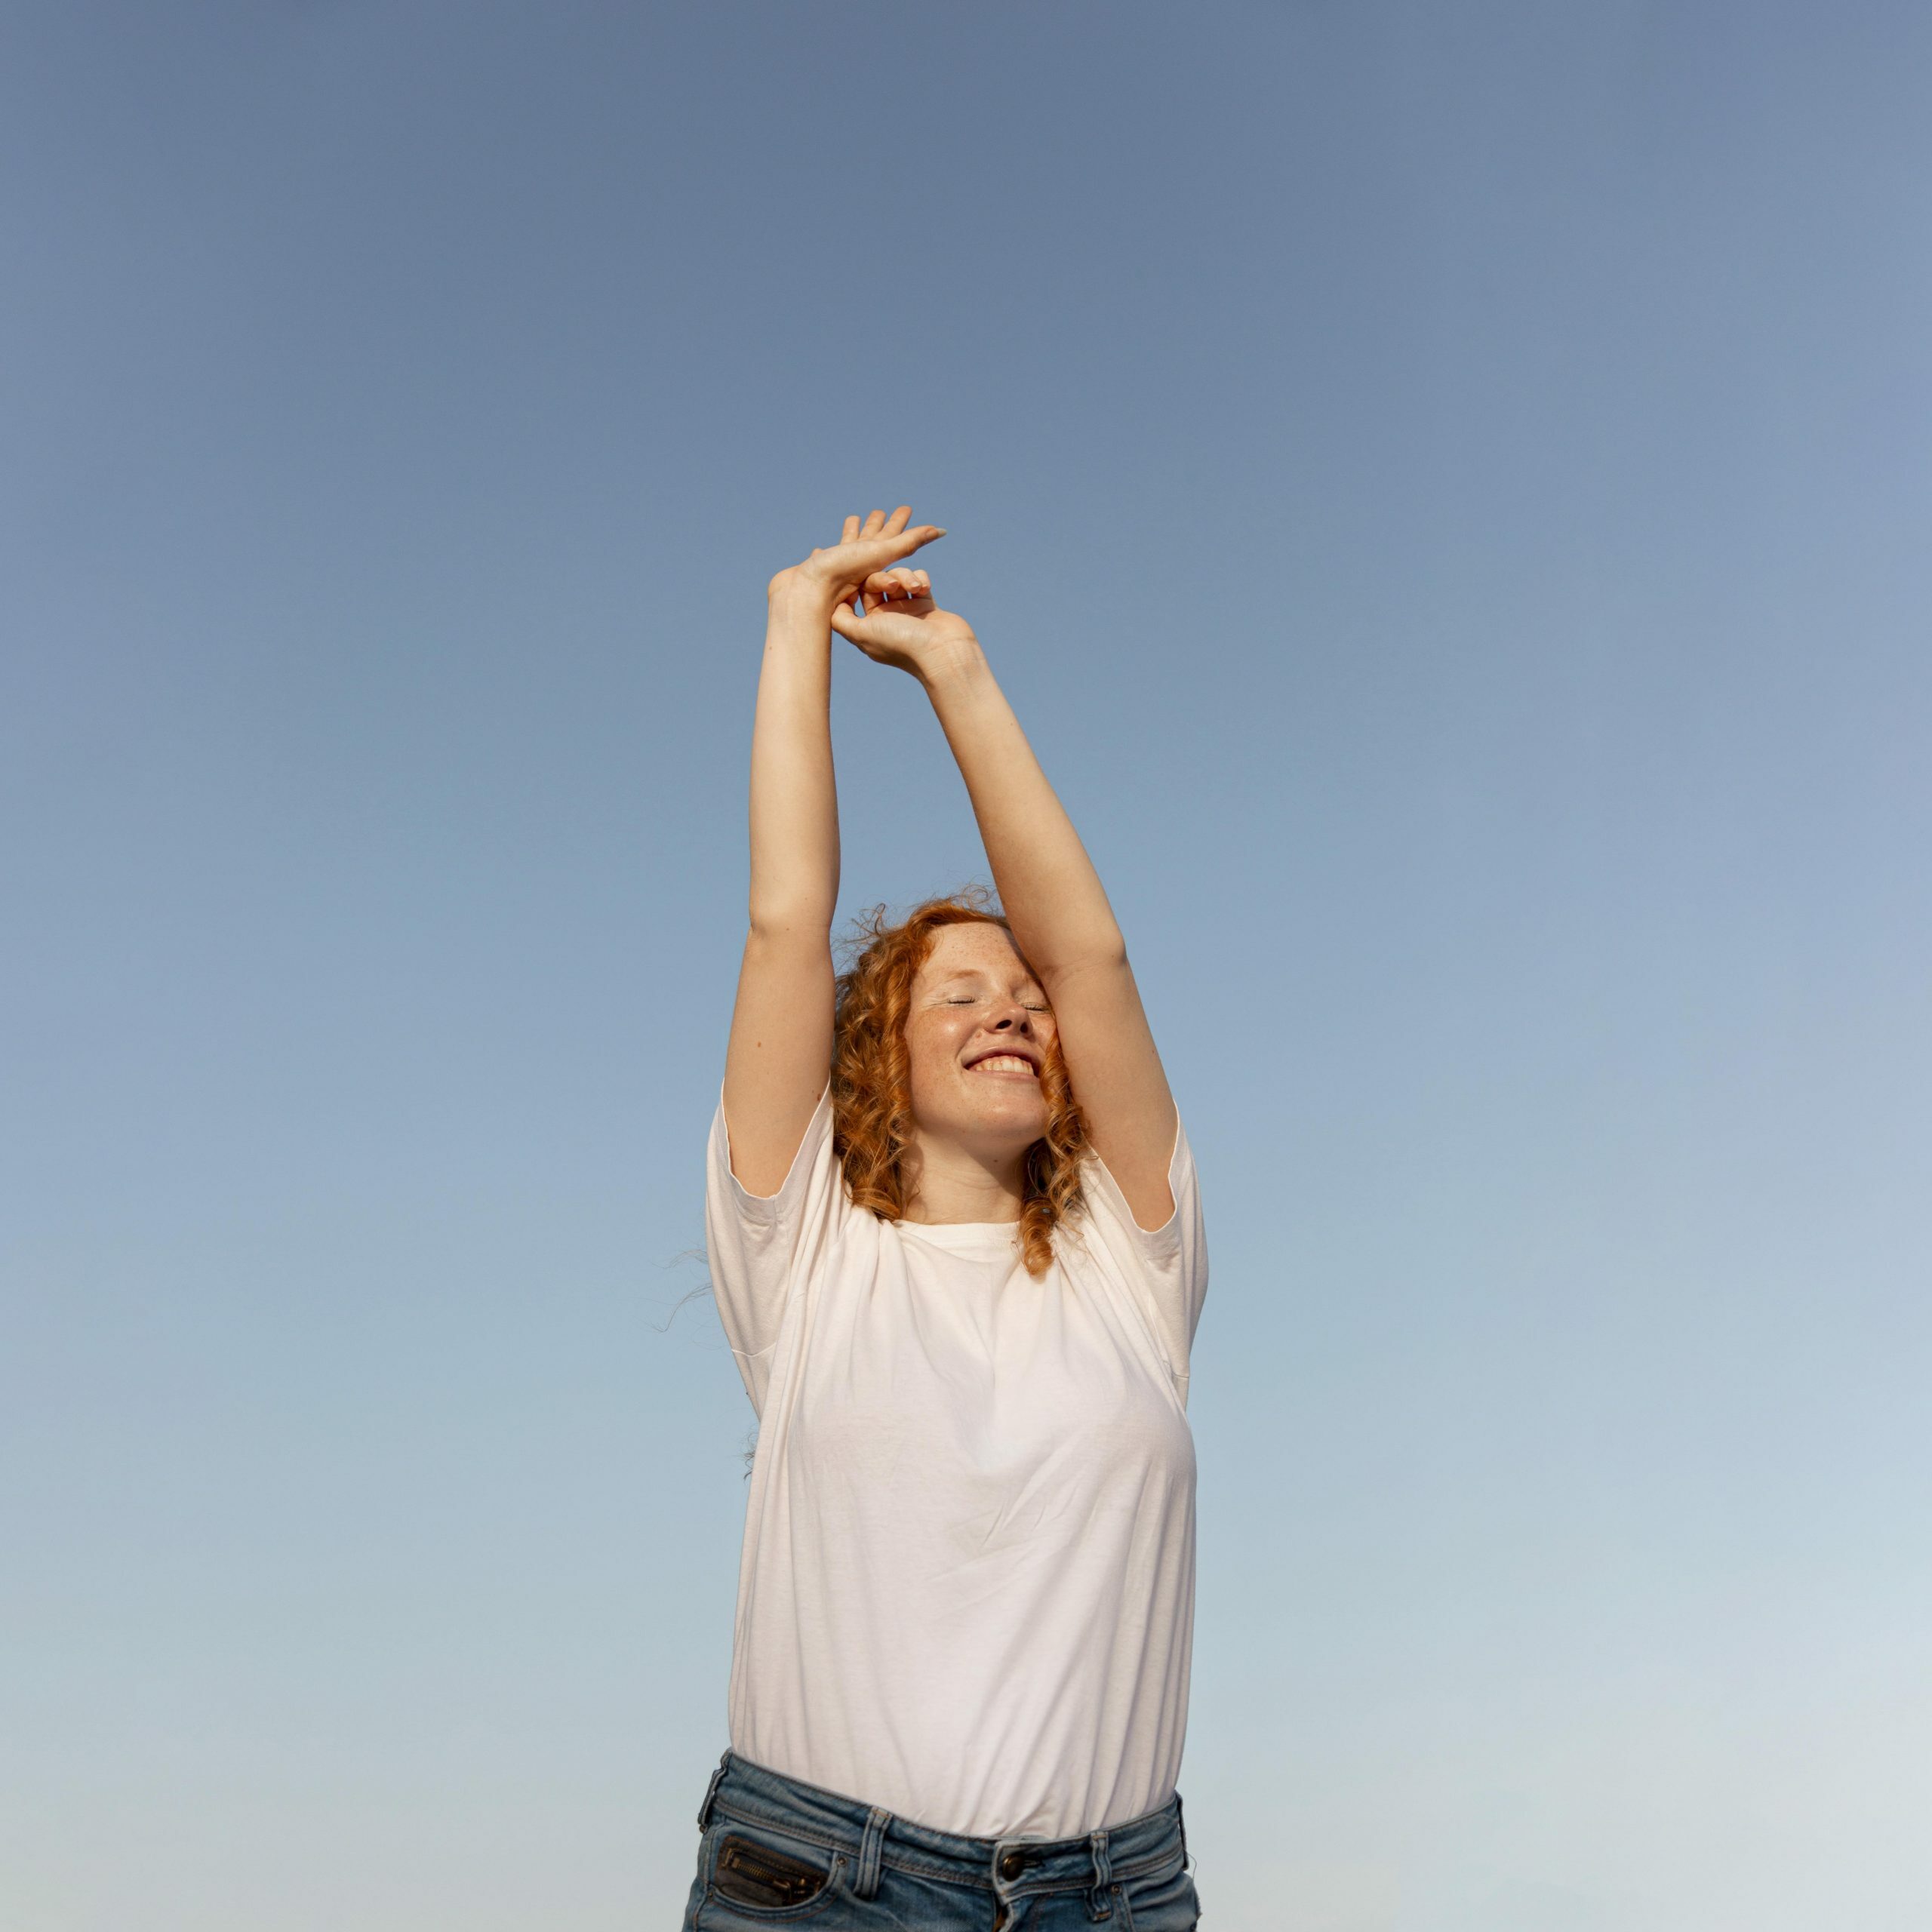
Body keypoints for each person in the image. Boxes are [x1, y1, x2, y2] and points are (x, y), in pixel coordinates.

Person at [681, 506, 1208, 1930]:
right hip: (823, 1885)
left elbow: (1088, 950)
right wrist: (801, 615)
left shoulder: (1128, 1259)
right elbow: (790, 922)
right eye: (960, 995)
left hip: (1117, 1895)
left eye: (1024, 1002)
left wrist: (955, 668)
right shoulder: (807, 1258)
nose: (1015, 1012)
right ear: (880, 1057)